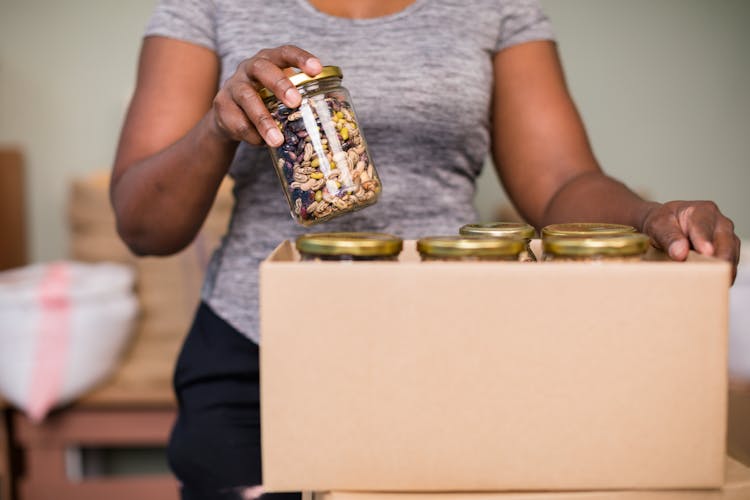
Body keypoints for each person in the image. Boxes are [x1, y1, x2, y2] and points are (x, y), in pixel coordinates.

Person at [110, 0, 740, 498]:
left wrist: (650, 217)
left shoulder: (492, 6)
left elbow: (559, 181)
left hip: (448, 345)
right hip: (258, 352)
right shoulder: (208, 4)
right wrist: (216, 128)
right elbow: (144, 227)